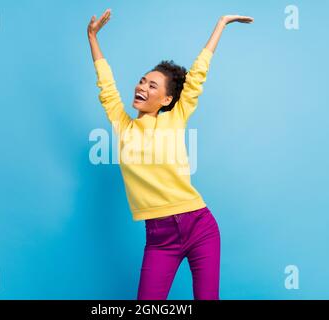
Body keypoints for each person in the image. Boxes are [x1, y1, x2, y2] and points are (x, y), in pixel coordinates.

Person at [87, 8, 253, 300]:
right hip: (160, 237)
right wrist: (92, 37)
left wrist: (221, 24)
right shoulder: (123, 126)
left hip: (200, 225)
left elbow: (197, 77)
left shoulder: (174, 118)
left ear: (166, 99)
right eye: (141, 81)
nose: (141, 87)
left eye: (152, 85)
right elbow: (107, 88)